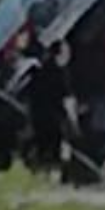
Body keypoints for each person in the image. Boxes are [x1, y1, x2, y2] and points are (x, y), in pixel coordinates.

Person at [25, 38, 77, 175]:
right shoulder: (61, 73)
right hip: (55, 118)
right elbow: (67, 98)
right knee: (56, 149)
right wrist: (73, 121)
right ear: (61, 54)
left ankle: (39, 172)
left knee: (42, 145)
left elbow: (31, 95)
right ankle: (54, 174)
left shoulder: (38, 71)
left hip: (38, 115)